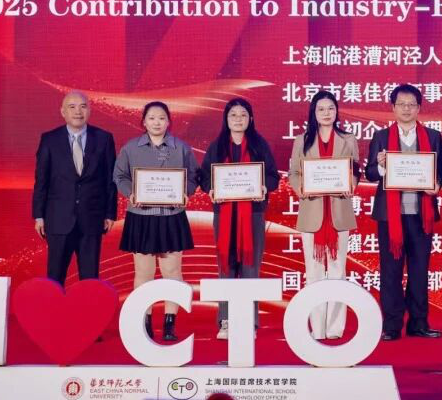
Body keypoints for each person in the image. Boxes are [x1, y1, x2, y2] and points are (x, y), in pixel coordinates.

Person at [365, 84, 442, 341]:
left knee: (420, 271)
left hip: (422, 215)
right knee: (391, 271)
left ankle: (419, 323)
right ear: (393, 108)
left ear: (419, 108)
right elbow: (370, 173)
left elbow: (441, 170)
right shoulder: (380, 137)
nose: (407, 109)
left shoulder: (433, 136)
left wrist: (437, 184)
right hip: (391, 216)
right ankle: (391, 325)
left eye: (412, 104)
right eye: (402, 104)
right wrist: (381, 166)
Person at [114, 101, 199, 342]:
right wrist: (131, 192)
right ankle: (145, 320)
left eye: (161, 118)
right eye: (151, 118)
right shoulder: (131, 148)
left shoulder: (181, 147)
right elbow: (119, 175)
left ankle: (170, 323)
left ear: (168, 121)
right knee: (144, 272)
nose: (156, 122)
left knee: (172, 271)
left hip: (171, 216)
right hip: (141, 217)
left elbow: (194, 176)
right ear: (144, 121)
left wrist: (186, 192)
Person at [199, 98, 280, 339]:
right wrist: (211, 188)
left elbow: (273, 177)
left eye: (243, 114)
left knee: (250, 267)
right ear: (226, 119)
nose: (238, 119)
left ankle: (249, 323)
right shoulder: (217, 146)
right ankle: (225, 321)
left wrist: (264, 186)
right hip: (224, 214)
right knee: (226, 266)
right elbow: (204, 177)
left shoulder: (259, 145)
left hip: (252, 214)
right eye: (233, 114)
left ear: (250, 118)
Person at [288, 91, 360, 340]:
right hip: (312, 211)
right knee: (314, 272)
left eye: (331, 108)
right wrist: (301, 189)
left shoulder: (347, 139)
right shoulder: (302, 140)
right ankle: (317, 328)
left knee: (338, 271)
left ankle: (335, 328)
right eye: (321, 109)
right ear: (314, 113)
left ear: (336, 111)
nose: (327, 113)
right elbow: (294, 173)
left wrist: (351, 182)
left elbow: (355, 169)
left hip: (339, 211)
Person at [31, 91, 118, 285]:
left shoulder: (104, 138)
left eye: (83, 106)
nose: (78, 111)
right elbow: (41, 180)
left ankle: (88, 306)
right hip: (58, 218)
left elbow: (110, 179)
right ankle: (54, 306)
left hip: (92, 218)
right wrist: (39, 215)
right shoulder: (49, 139)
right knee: (55, 276)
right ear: (63, 112)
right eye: (72, 107)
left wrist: (110, 213)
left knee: (90, 278)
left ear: (89, 111)